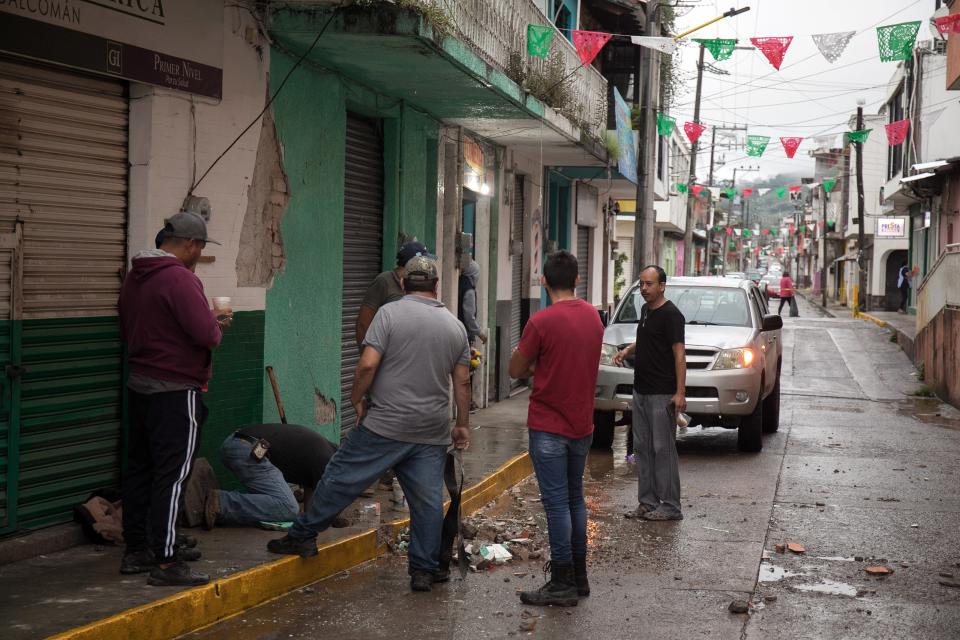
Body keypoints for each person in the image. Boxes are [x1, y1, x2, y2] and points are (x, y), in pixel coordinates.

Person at [267, 255, 471, 593]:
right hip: (431, 430)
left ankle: (303, 536)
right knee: (427, 502)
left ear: (404, 284)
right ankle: (422, 570)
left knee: (340, 478)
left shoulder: (389, 314)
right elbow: (462, 383)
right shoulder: (455, 326)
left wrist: (356, 398)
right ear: (436, 286)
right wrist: (461, 424)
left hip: (385, 425)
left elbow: (367, 365)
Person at [118, 212, 228, 587]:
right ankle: (166, 562)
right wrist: (218, 321)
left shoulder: (136, 275)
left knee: (140, 470)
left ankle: (138, 549)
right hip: (175, 390)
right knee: (173, 475)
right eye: (199, 247)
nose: (198, 253)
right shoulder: (180, 278)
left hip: (140, 385)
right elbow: (207, 335)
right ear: (191, 244)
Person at [509, 251, 603, 607]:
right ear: (577, 280)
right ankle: (579, 577)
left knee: (556, 505)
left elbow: (516, 369)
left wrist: (536, 367)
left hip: (548, 426)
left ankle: (562, 580)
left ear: (543, 281)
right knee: (574, 498)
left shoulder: (541, 322)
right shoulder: (594, 318)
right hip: (582, 424)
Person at [356, 241, 432, 491]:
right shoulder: (383, 283)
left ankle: (392, 471)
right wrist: (369, 356)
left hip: (409, 365)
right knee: (374, 417)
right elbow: (364, 322)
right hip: (381, 364)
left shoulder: (420, 289)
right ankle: (365, 477)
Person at [613, 265, 686, 522]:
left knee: (662, 449)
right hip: (641, 389)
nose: (644, 288)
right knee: (642, 449)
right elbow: (646, 339)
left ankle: (671, 506)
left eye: (649, 284)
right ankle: (647, 502)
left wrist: (679, 393)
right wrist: (627, 351)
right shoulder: (646, 311)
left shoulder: (672, 315)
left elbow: (679, 355)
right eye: (642, 284)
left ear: (662, 285)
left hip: (661, 393)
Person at [180, 424, 343, 529]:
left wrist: (315, 521)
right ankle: (221, 503)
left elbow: (312, 505)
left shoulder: (325, 453)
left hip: (241, 444)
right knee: (288, 508)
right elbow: (326, 502)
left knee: (285, 506)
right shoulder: (327, 460)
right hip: (247, 449)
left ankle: (224, 503)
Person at [458, 259, 487, 345]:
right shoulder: (469, 291)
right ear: (474, 274)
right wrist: (480, 333)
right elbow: (469, 317)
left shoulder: (460, 284)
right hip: (464, 334)